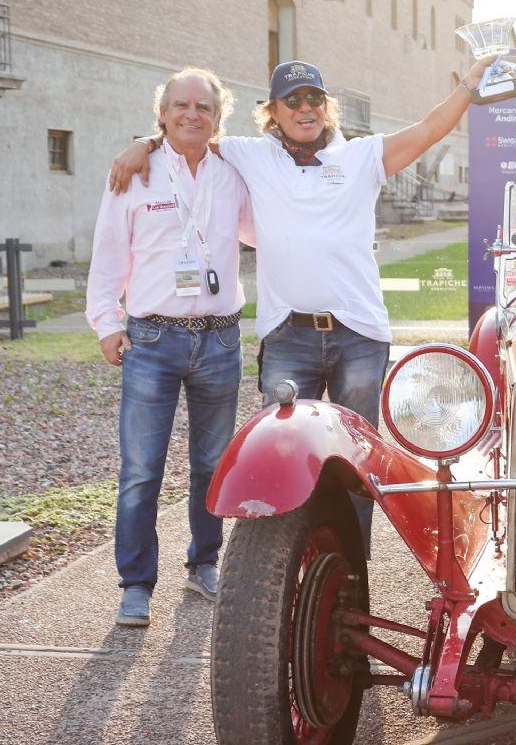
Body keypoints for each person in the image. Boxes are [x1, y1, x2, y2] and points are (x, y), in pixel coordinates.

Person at [110, 55, 492, 545]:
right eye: (292, 100)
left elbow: (428, 130)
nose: (304, 107)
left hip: (359, 336)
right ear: (274, 111)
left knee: (358, 459)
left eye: (314, 97)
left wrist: (468, 84)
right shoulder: (251, 154)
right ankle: (282, 569)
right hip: (289, 336)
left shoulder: (361, 156)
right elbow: (190, 132)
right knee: (282, 456)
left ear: (326, 106)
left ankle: (351, 572)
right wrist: (144, 144)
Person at [87, 68, 252, 628]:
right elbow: (109, 252)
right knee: (141, 469)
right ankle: (136, 585)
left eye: (203, 107)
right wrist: (106, 322)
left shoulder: (234, 173)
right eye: (180, 105)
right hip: (151, 339)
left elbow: (268, 229)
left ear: (218, 118)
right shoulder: (134, 172)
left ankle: (204, 563)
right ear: (161, 114)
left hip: (220, 338)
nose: (191, 114)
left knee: (212, 465)